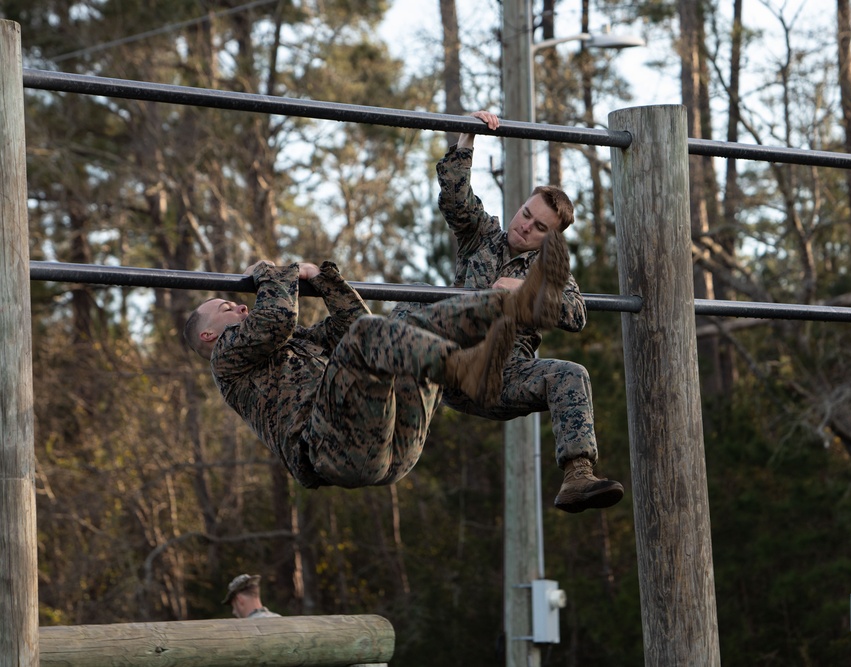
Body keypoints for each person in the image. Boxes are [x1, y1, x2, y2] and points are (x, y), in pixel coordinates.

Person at [183, 249, 566, 490]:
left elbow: (355, 326)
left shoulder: (301, 343)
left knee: (406, 325)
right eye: (226, 308)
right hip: (332, 450)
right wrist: (271, 273)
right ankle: (464, 367)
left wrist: (321, 279)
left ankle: (517, 305)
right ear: (208, 334)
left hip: (394, 448)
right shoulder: (226, 361)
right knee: (373, 335)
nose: (240, 307)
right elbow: (277, 317)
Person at [433, 109, 624, 513]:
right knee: (395, 329)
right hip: (456, 363)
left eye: (539, 228)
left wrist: (526, 289)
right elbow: (455, 199)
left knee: (571, 374)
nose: (525, 227)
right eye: (526, 215)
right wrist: (468, 139)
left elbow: (576, 314)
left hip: (506, 376)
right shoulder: (480, 238)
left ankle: (577, 477)